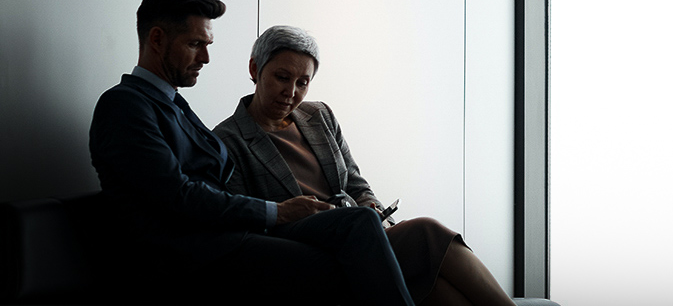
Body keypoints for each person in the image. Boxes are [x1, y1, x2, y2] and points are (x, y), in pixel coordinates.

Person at [88, 0, 414, 305]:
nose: (205, 57)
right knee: (353, 247)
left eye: (208, 44)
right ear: (157, 39)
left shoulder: (173, 105)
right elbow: (177, 195)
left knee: (361, 224)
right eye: (195, 44)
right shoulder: (124, 106)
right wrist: (277, 211)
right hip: (193, 255)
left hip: (230, 237)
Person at [213, 25, 513, 306]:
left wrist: (371, 205)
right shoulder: (227, 140)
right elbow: (247, 221)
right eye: (282, 77)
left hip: (362, 233)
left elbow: (355, 183)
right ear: (255, 69)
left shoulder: (320, 116)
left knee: (430, 280)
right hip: (304, 250)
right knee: (425, 231)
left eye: (302, 82)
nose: (291, 92)